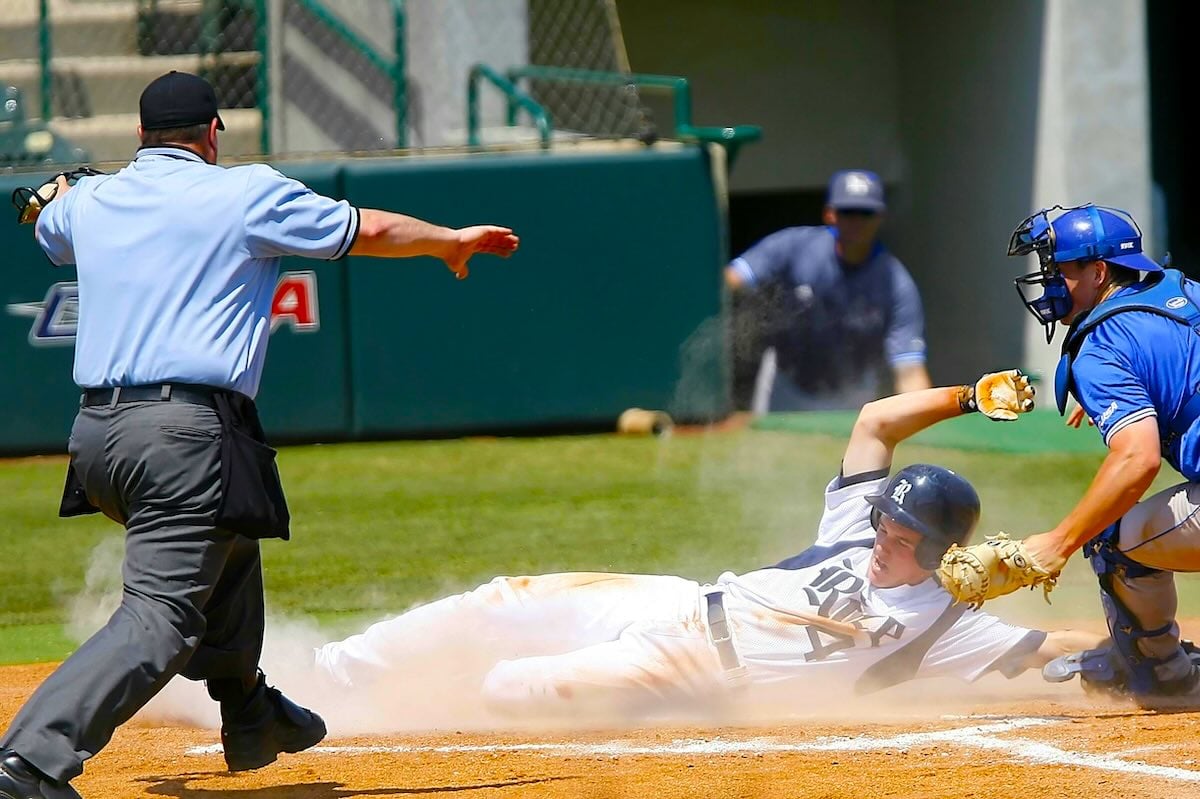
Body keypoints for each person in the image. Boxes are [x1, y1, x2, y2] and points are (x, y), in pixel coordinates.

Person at [0, 70, 519, 799]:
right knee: (161, 618)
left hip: (97, 438)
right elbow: (365, 228)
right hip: (184, 432)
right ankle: (28, 760)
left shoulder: (93, 199)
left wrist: (59, 194)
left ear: (141, 136)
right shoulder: (243, 191)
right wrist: (447, 241)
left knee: (230, 539)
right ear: (213, 133)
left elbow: (46, 219)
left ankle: (249, 711)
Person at [299, 370, 1100, 726]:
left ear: (939, 550)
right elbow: (873, 422)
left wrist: (1147, 645)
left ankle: (407, 704)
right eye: (883, 524)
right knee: (499, 599)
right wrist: (968, 396)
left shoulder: (949, 625)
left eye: (901, 537)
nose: (881, 541)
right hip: (677, 600)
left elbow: (1056, 644)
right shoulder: (860, 528)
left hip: (694, 672)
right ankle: (322, 678)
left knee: (510, 687)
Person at [1002, 203, 1200, 706]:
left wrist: (1060, 542)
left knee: (1111, 537)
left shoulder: (1101, 347)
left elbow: (1138, 459)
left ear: (1099, 271)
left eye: (1060, 271)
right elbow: (1174, 365)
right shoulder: (1186, 292)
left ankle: (1163, 675)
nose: (1048, 282)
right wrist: (1133, 394)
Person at [724, 169, 932, 414]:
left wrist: (926, 426)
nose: (857, 221)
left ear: (881, 217)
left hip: (853, 395)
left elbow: (909, 370)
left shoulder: (896, 284)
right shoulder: (794, 246)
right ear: (830, 214)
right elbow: (732, 279)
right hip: (787, 386)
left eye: (866, 213)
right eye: (848, 212)